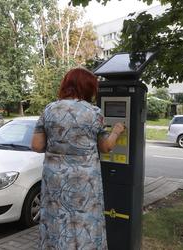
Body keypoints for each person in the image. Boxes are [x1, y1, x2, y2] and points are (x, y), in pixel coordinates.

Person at [31, 67, 125, 250]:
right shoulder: (94, 113)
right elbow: (106, 147)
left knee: (57, 217)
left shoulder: (49, 109)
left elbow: (36, 145)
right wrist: (116, 131)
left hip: (55, 179)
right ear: (88, 88)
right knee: (84, 219)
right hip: (84, 182)